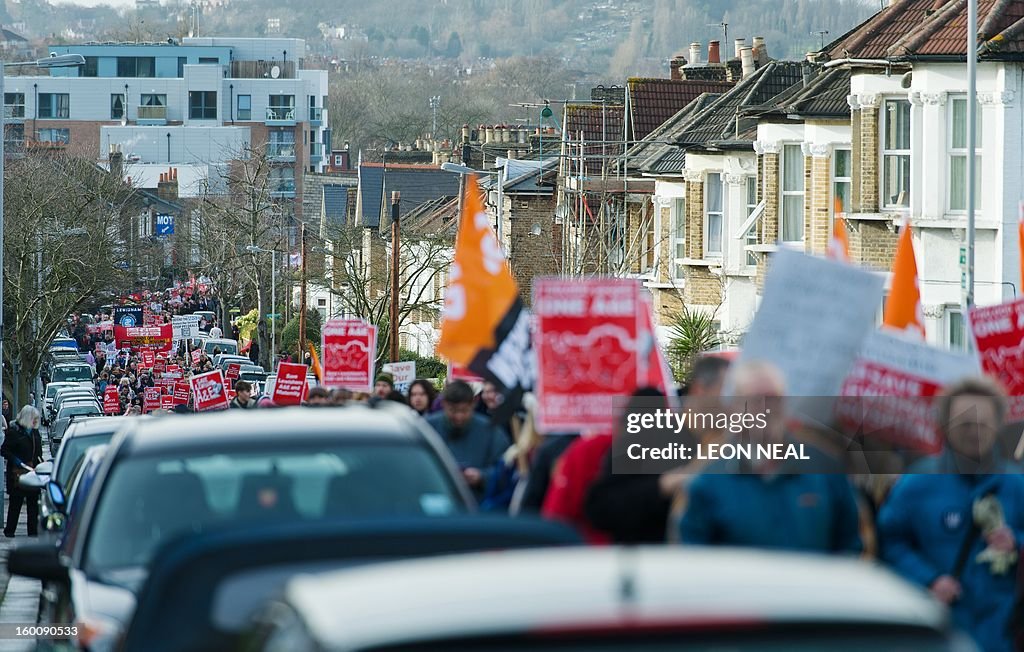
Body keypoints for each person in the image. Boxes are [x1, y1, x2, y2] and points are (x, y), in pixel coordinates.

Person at [878, 377, 1024, 652]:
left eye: (983, 424)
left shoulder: (1017, 485)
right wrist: (928, 580)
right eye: (966, 425)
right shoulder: (916, 484)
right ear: (946, 426)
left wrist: (1015, 541)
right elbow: (889, 543)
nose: (975, 433)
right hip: (936, 633)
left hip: (1001, 635)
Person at [678, 361, 861, 554]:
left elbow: (851, 546)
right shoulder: (709, 481)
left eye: (773, 399)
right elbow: (693, 557)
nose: (765, 408)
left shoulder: (825, 470)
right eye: (755, 399)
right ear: (735, 408)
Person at [585, 356, 730, 544]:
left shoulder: (733, 446)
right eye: (727, 390)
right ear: (700, 389)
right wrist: (663, 486)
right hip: (649, 563)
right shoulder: (647, 438)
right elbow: (599, 508)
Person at [426, 381, 510, 496]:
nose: (459, 416)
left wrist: (482, 476)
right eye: (453, 410)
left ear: (473, 404)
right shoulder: (427, 428)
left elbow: (506, 469)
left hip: (477, 504)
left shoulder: (491, 431)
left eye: (464, 410)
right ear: (444, 404)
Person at [1, 406, 43, 537]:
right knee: (15, 503)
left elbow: (38, 451)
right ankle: (10, 531)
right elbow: (4, 450)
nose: (36, 421)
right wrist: (15, 460)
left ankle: (33, 531)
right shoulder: (14, 432)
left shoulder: (35, 433)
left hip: (32, 472)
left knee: (33, 504)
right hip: (17, 474)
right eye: (34, 419)